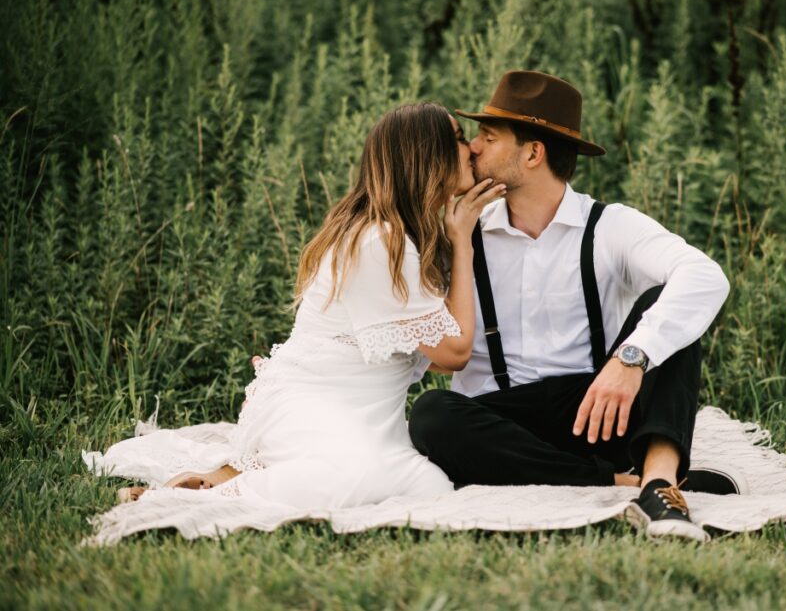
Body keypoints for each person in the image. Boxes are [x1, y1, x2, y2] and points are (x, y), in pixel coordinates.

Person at [84, 103, 505, 541]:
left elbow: (429, 354)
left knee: (428, 486)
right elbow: (454, 353)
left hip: (368, 414)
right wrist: (462, 241)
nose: (472, 148)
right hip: (316, 400)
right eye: (459, 138)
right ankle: (190, 498)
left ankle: (226, 476)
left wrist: (454, 240)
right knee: (358, 476)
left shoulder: (403, 238)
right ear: (426, 155)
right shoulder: (377, 241)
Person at [407, 71, 732, 542]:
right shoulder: (460, 233)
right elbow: (438, 355)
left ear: (533, 153)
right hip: (500, 421)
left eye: (488, 136)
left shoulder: (610, 226)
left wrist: (631, 358)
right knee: (431, 414)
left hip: (598, 413)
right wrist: (457, 244)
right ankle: (619, 482)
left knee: (668, 308)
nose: (473, 147)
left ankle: (660, 487)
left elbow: (706, 276)